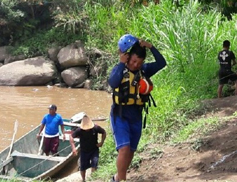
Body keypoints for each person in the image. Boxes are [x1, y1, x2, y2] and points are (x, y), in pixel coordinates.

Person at [108, 34, 166, 182]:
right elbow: (113, 83)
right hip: (120, 114)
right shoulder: (119, 70)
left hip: (136, 115)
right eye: (133, 61)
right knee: (124, 149)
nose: (135, 65)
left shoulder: (144, 70)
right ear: (127, 58)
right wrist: (121, 64)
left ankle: (116, 178)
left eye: (139, 63)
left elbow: (161, 63)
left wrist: (150, 46)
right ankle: (122, 180)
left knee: (131, 153)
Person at [69, 113, 106, 182]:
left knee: (94, 163)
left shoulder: (96, 128)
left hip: (94, 149)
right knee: (83, 167)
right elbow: (71, 136)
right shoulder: (79, 130)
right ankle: (83, 180)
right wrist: (73, 147)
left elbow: (104, 132)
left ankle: (93, 179)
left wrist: (101, 142)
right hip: (84, 150)